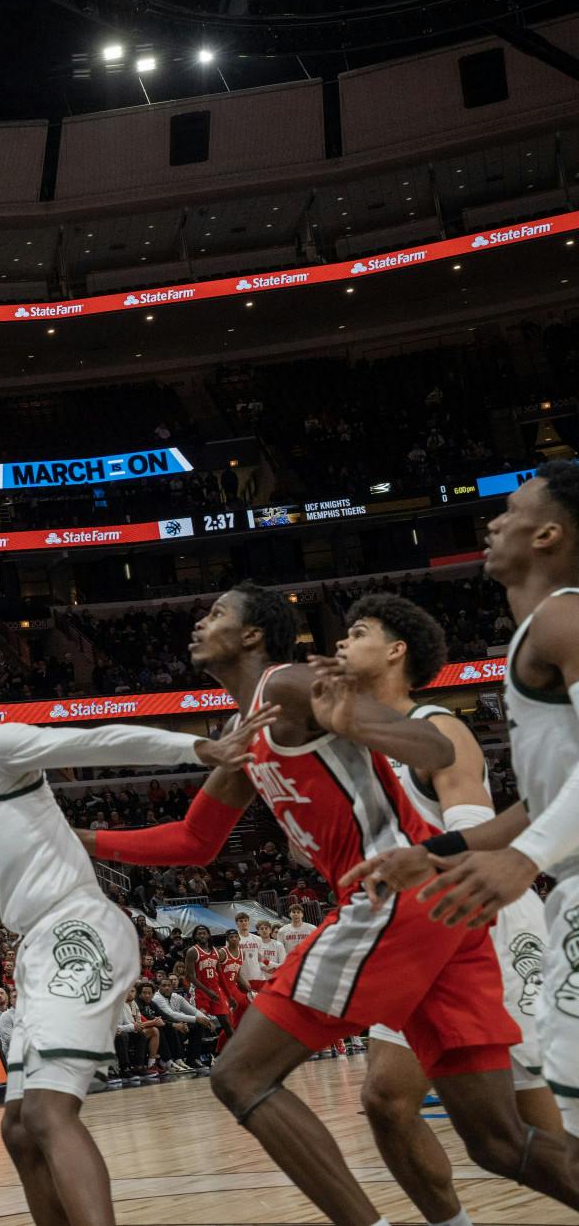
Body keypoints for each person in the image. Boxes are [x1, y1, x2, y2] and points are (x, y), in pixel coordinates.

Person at [87, 582, 579, 1226]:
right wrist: (82, 839)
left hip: (394, 899)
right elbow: (195, 840)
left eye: (215, 614)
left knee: (240, 1077)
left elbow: (432, 749)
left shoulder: (288, 686)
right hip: (437, 920)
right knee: (497, 1141)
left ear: (253, 636)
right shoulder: (245, 727)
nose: (197, 623)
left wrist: (354, 719)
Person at [0, 670, 267, 1226]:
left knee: (48, 1115)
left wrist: (200, 748)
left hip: (77, 928)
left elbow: (94, 738)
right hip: (38, 944)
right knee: (20, 1130)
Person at [346, 460, 579, 1187]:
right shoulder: (539, 631)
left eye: (511, 511)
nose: (493, 522)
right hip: (523, 883)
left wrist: (522, 858)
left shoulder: (563, 616)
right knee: (545, 1136)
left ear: (547, 532)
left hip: (524, 902)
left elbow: (529, 824)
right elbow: (540, 801)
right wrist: (436, 853)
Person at [320, 593, 562, 1223]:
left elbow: (481, 834)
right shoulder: (358, 745)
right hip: (414, 937)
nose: (343, 641)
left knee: (532, 1118)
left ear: (397, 651)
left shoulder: (437, 728)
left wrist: (420, 861)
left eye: (360, 631)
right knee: (386, 1100)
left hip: (483, 919)